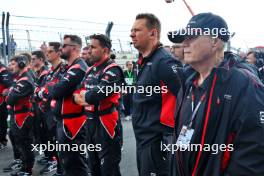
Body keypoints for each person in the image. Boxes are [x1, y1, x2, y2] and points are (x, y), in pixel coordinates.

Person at [168, 12, 264, 176]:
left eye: (191, 38)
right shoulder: (188, 81)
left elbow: (253, 154)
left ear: (214, 41)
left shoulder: (245, 84)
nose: (184, 44)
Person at [130, 13, 182, 175]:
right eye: (131, 30)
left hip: (157, 143)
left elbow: (186, 96)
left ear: (153, 33)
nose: (131, 34)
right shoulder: (143, 61)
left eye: (137, 30)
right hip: (143, 141)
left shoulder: (164, 61)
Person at [74, 33, 124, 176]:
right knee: (93, 167)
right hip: (89, 122)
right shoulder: (90, 70)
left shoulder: (113, 69)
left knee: (109, 168)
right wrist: (87, 97)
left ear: (105, 50)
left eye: (93, 47)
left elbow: (95, 95)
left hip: (106, 123)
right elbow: (76, 95)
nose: (89, 50)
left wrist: (87, 96)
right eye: (89, 47)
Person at [40, 35, 89, 175]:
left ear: (73, 48)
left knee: (75, 164)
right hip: (63, 121)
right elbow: (50, 86)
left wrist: (50, 89)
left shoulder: (78, 67)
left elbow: (56, 90)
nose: (61, 48)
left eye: (64, 46)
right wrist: (50, 88)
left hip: (73, 123)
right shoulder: (69, 67)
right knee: (67, 162)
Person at [5, 55, 35, 176]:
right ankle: (24, 166)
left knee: (24, 144)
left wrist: (9, 94)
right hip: (18, 116)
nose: (10, 67)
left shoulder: (25, 79)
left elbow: (10, 99)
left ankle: (27, 170)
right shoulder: (20, 78)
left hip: (23, 117)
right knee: (20, 142)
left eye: (13, 64)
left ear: (21, 64)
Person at [0, 61, 13, 150]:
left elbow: (10, 84)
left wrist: (7, 90)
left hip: (1, 100)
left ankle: (2, 141)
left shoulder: (4, 71)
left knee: (1, 121)